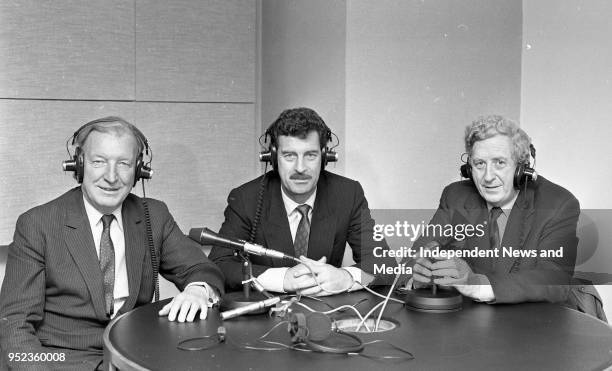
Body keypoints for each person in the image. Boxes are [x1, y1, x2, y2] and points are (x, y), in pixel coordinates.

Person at [0, 117, 225, 370]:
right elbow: (13, 325)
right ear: (79, 165)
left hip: (135, 357)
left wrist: (198, 290)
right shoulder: (38, 224)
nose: (111, 177)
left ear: (139, 170)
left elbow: (202, 269)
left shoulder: (154, 215)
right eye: (99, 162)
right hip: (61, 360)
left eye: (124, 164)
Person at [409, 115, 605, 319]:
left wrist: (475, 283)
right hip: (477, 323)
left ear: (522, 168)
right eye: (479, 164)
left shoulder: (559, 203)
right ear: (468, 168)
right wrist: (420, 272)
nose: (487, 177)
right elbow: (419, 251)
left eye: (500, 163)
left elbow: (554, 278)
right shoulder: (456, 195)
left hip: (539, 323)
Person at [209, 107, 395, 296]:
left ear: (324, 157)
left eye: (310, 155)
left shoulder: (348, 193)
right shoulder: (246, 198)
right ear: (273, 157)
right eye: (289, 155)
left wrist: (346, 277)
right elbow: (219, 264)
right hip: (266, 316)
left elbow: (385, 263)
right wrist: (282, 279)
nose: (300, 168)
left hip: (327, 316)